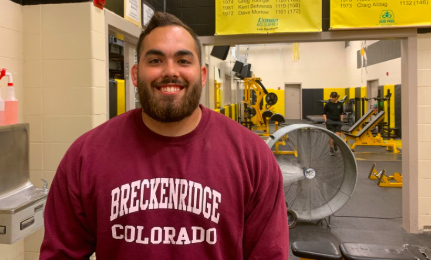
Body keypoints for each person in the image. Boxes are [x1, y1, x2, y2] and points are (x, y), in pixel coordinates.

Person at [40, 12, 288, 260]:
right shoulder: (86, 156)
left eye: (183, 61)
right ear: (135, 75)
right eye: (156, 60)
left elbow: (268, 255)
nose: (170, 72)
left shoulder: (252, 157)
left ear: (202, 75)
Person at [323, 92, 344, 156]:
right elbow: (324, 113)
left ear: (336, 97)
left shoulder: (340, 104)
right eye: (332, 97)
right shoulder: (327, 104)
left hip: (337, 121)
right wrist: (326, 120)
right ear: (330, 97)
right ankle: (331, 149)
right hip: (330, 121)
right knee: (332, 136)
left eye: (334, 97)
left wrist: (341, 121)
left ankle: (335, 143)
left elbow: (341, 113)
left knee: (338, 135)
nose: (333, 98)